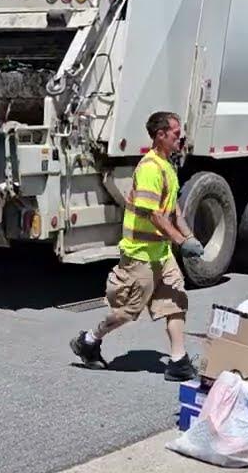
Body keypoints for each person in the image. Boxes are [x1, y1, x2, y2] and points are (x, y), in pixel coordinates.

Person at [70, 111, 205, 381]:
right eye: (176, 133)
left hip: (161, 254)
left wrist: (189, 238)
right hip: (139, 256)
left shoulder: (168, 165)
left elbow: (173, 209)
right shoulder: (150, 169)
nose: (181, 137)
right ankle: (89, 340)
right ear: (160, 135)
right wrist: (180, 241)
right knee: (127, 312)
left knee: (176, 301)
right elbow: (152, 214)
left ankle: (178, 362)